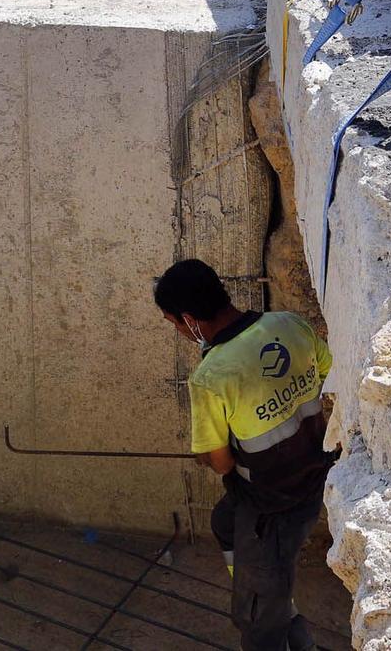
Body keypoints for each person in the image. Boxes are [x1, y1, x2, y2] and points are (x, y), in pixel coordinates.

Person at [155, 259, 338, 651]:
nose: (179, 331)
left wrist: (210, 453)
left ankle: (264, 600)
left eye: (173, 322)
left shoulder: (211, 377)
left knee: (255, 618)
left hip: (273, 502)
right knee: (224, 520)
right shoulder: (288, 325)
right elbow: (326, 370)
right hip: (317, 475)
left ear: (189, 319)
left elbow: (220, 462)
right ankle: (269, 593)